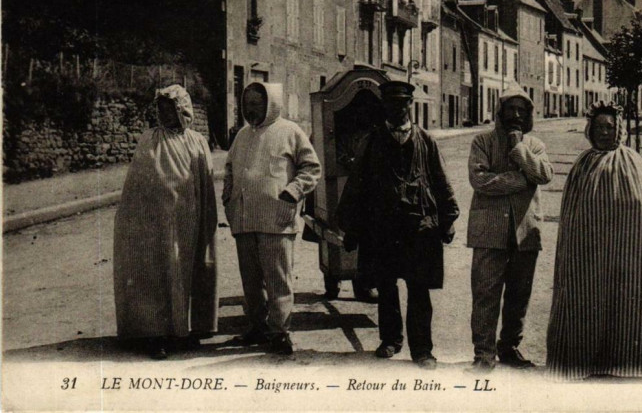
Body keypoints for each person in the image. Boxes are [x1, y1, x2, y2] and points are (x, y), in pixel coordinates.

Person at [337, 80, 459, 370]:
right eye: (390, 104)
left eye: (402, 103)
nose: (396, 109)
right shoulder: (372, 141)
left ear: (409, 106)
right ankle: (391, 340)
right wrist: (352, 228)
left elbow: (441, 180)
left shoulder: (425, 141)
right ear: (385, 107)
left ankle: (422, 350)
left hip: (419, 227)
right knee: (386, 287)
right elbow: (356, 186)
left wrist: (449, 218)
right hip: (382, 228)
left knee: (419, 289)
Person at [546, 100, 642, 381]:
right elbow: (571, 212)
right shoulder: (582, 163)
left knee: (628, 300)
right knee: (586, 298)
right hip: (587, 249)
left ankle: (629, 359)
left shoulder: (632, 160)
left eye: (610, 127)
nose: (604, 132)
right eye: (599, 127)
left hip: (628, 248)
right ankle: (583, 360)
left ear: (620, 130)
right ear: (590, 130)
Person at [114, 84, 218, 360]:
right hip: (153, 222)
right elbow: (136, 184)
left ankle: (181, 331)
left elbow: (205, 184)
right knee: (154, 273)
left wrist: (205, 220)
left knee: (184, 272)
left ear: (182, 109)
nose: (165, 114)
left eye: (170, 109)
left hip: (187, 220)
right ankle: (154, 333)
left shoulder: (197, 141)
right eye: (161, 109)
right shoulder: (150, 139)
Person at [222, 82, 321, 355]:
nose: (250, 109)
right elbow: (229, 169)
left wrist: (294, 191)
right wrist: (228, 197)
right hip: (244, 219)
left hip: (277, 219)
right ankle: (257, 327)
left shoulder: (290, 131)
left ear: (271, 104)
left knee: (278, 280)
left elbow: (311, 167)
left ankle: (279, 332)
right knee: (251, 281)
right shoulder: (241, 135)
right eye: (247, 104)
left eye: (256, 103)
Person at [467, 84, 554, 371]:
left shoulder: (535, 145)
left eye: (522, 110)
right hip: (489, 232)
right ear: (500, 112)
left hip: (525, 233)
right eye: (510, 109)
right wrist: (521, 180)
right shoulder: (482, 142)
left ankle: (509, 348)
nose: (515, 114)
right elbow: (480, 181)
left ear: (528, 115)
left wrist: (519, 150)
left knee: (519, 295)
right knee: (485, 294)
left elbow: (544, 174)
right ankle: (483, 354)